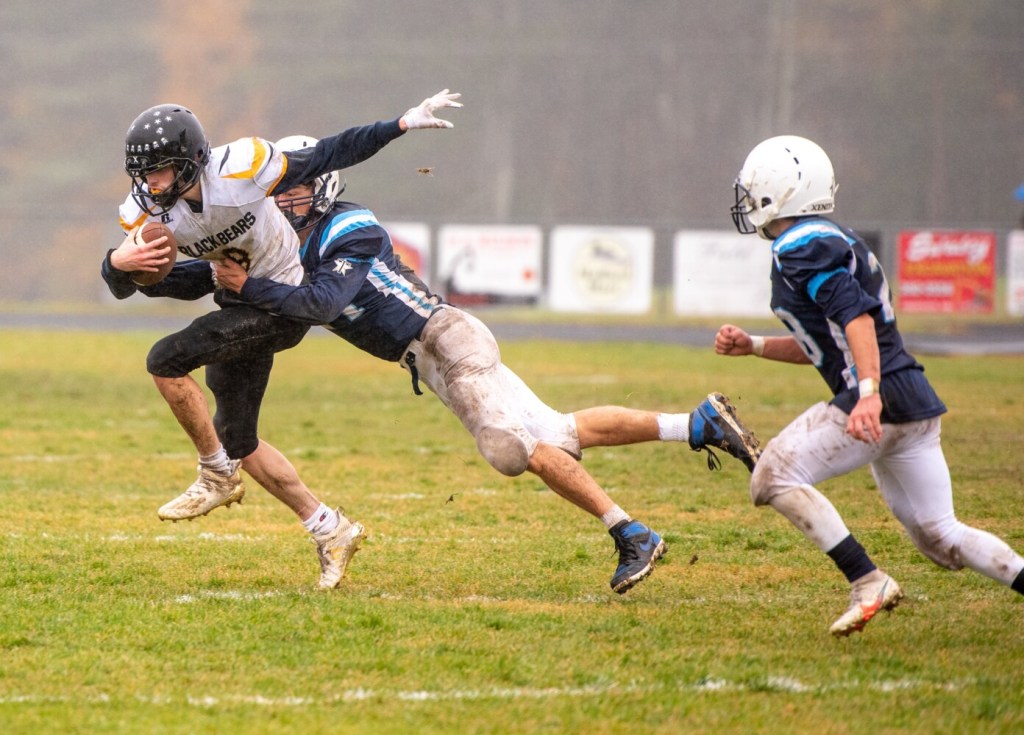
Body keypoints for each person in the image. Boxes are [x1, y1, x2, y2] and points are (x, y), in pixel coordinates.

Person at [210, 136, 763, 594]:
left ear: (325, 186)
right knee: (559, 432)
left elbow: (318, 304)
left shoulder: (347, 227)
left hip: (443, 338)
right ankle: (696, 425)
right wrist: (162, 265)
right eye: (279, 192)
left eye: (297, 188)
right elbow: (224, 274)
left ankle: (631, 533)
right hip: (427, 356)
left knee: (509, 447)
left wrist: (249, 285)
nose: (285, 201)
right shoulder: (284, 246)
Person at [100, 91, 463, 590]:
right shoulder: (145, 213)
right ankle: (331, 529)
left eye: (159, 171)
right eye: (142, 173)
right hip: (238, 305)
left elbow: (332, 151)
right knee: (238, 439)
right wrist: (116, 265)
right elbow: (140, 284)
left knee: (165, 359)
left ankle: (215, 474)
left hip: (281, 302)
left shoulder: (242, 168)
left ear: (189, 163)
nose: (150, 183)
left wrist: (399, 124)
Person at [717, 134, 1024, 635]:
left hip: (880, 397)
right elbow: (827, 343)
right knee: (941, 536)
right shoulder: (832, 237)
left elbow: (855, 319)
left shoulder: (799, 246)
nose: (747, 200)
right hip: (912, 397)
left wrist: (867, 394)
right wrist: (753, 345)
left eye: (753, 190)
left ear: (781, 190)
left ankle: (867, 580)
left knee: (773, 476)